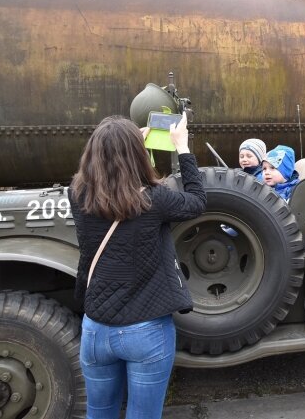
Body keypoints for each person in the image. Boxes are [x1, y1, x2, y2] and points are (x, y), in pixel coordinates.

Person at [68, 114, 206, 419]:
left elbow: (107, 184)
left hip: (96, 331)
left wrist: (123, 145)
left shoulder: (77, 196)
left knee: (98, 414)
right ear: (137, 155)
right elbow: (197, 200)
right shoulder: (155, 200)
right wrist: (182, 147)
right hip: (146, 331)